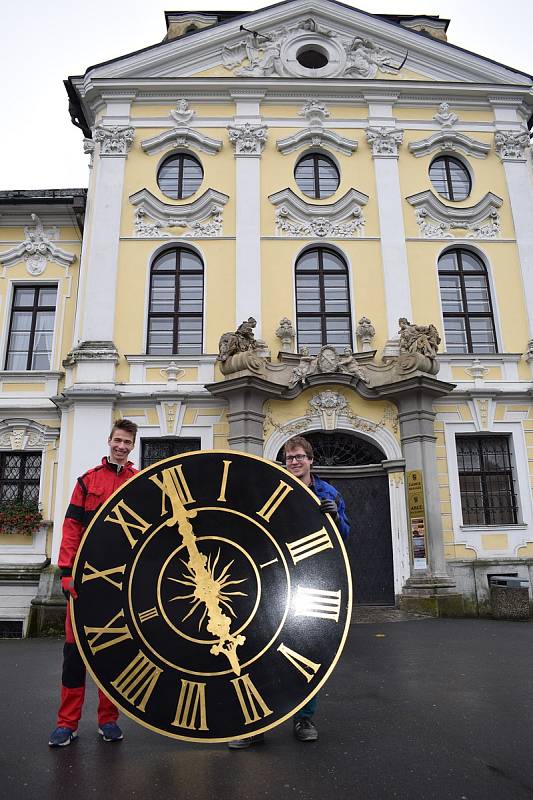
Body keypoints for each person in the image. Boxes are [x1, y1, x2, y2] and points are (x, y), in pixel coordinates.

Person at [228, 435, 349, 749]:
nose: (294, 462)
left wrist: (335, 517)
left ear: (311, 460)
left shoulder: (328, 493)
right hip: (274, 581)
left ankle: (303, 718)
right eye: (289, 458)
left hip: (314, 582)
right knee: (263, 650)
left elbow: (345, 538)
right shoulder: (273, 487)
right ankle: (258, 724)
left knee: (309, 650)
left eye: (299, 457)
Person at [48, 419, 138, 747]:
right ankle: (66, 723)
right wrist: (66, 572)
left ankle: (108, 721)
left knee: (111, 655)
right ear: (109, 440)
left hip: (119, 585)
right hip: (84, 584)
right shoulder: (87, 481)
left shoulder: (137, 482)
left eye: (127, 442)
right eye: (117, 440)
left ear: (132, 445)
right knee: (74, 655)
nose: (121, 446)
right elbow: (71, 528)